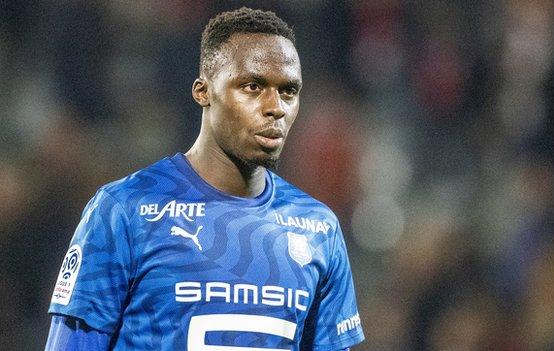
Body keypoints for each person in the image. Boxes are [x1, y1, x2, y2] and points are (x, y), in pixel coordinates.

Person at [45, 7, 364, 351]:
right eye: (253, 86)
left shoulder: (318, 229)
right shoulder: (125, 211)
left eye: (288, 91)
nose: (275, 107)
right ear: (203, 92)